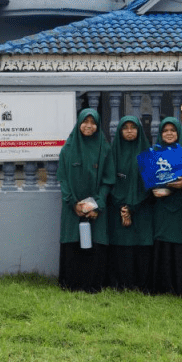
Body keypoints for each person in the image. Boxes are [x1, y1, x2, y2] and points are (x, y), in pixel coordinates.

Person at [56, 109, 115, 293]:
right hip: (72, 207)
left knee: (95, 241)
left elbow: (108, 180)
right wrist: (73, 203)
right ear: (79, 123)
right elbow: (63, 179)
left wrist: (97, 204)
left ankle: (93, 285)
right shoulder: (67, 149)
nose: (89, 126)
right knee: (73, 240)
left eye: (93, 122)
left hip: (96, 207)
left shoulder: (104, 148)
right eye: (85, 121)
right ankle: (71, 284)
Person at [149, 117, 182, 296]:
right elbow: (146, 181)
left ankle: (180, 289)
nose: (169, 133)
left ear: (179, 132)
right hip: (162, 209)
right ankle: (162, 288)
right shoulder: (154, 154)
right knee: (163, 247)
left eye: (173, 130)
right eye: (165, 131)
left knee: (180, 249)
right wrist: (153, 189)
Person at [107, 116, 154, 292]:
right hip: (117, 207)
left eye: (133, 127)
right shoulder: (112, 153)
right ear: (119, 131)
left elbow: (151, 183)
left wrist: (132, 207)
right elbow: (108, 180)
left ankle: (141, 284)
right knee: (121, 244)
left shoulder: (147, 154)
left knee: (140, 245)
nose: (129, 131)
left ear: (139, 130)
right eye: (125, 127)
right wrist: (122, 207)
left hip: (142, 208)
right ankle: (120, 284)